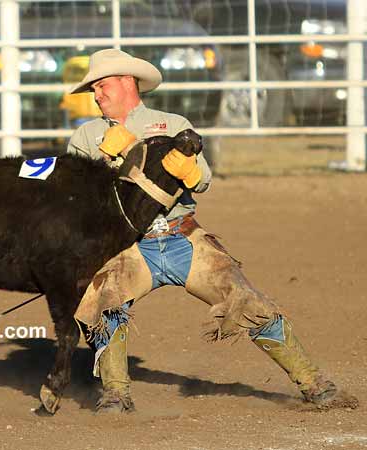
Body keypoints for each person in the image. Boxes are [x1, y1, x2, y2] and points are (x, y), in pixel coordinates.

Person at [65, 49, 358, 414]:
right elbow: (76, 199)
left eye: (102, 85)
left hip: (181, 237)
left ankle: (314, 384)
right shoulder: (87, 136)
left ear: (127, 81)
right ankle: (115, 394)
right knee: (105, 302)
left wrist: (186, 169)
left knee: (247, 302)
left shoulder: (171, 124)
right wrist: (105, 162)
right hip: (128, 246)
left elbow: (202, 180)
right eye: (94, 88)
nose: (96, 94)